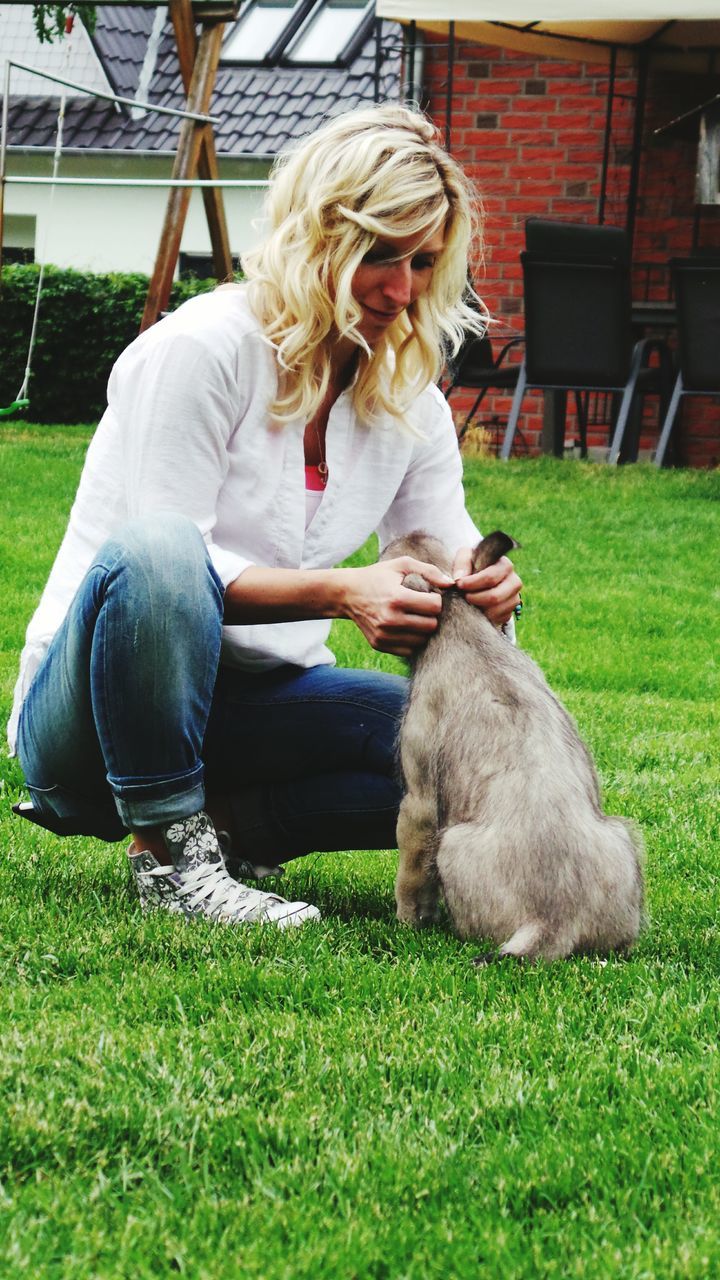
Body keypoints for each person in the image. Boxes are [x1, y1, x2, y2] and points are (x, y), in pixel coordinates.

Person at [8, 104, 522, 928]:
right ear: (318, 237)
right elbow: (169, 572)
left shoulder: (409, 399)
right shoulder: (203, 349)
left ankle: (232, 829)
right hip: (95, 720)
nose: (403, 289)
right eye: (378, 255)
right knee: (160, 553)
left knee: (461, 748)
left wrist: (487, 593)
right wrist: (343, 592)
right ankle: (171, 858)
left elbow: (447, 547)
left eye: (423, 261)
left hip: (258, 706)